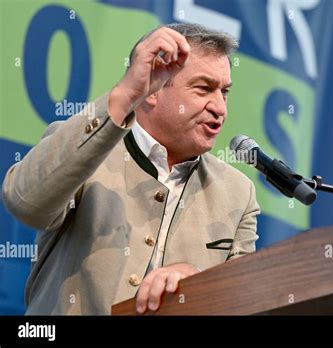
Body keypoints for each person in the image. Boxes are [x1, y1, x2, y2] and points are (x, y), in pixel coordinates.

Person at [2, 23, 259, 315]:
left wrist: (199, 281)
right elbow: (25, 203)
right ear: (152, 90)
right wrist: (125, 95)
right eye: (203, 89)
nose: (220, 108)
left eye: (224, 92)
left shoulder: (239, 193)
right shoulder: (85, 150)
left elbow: (243, 303)